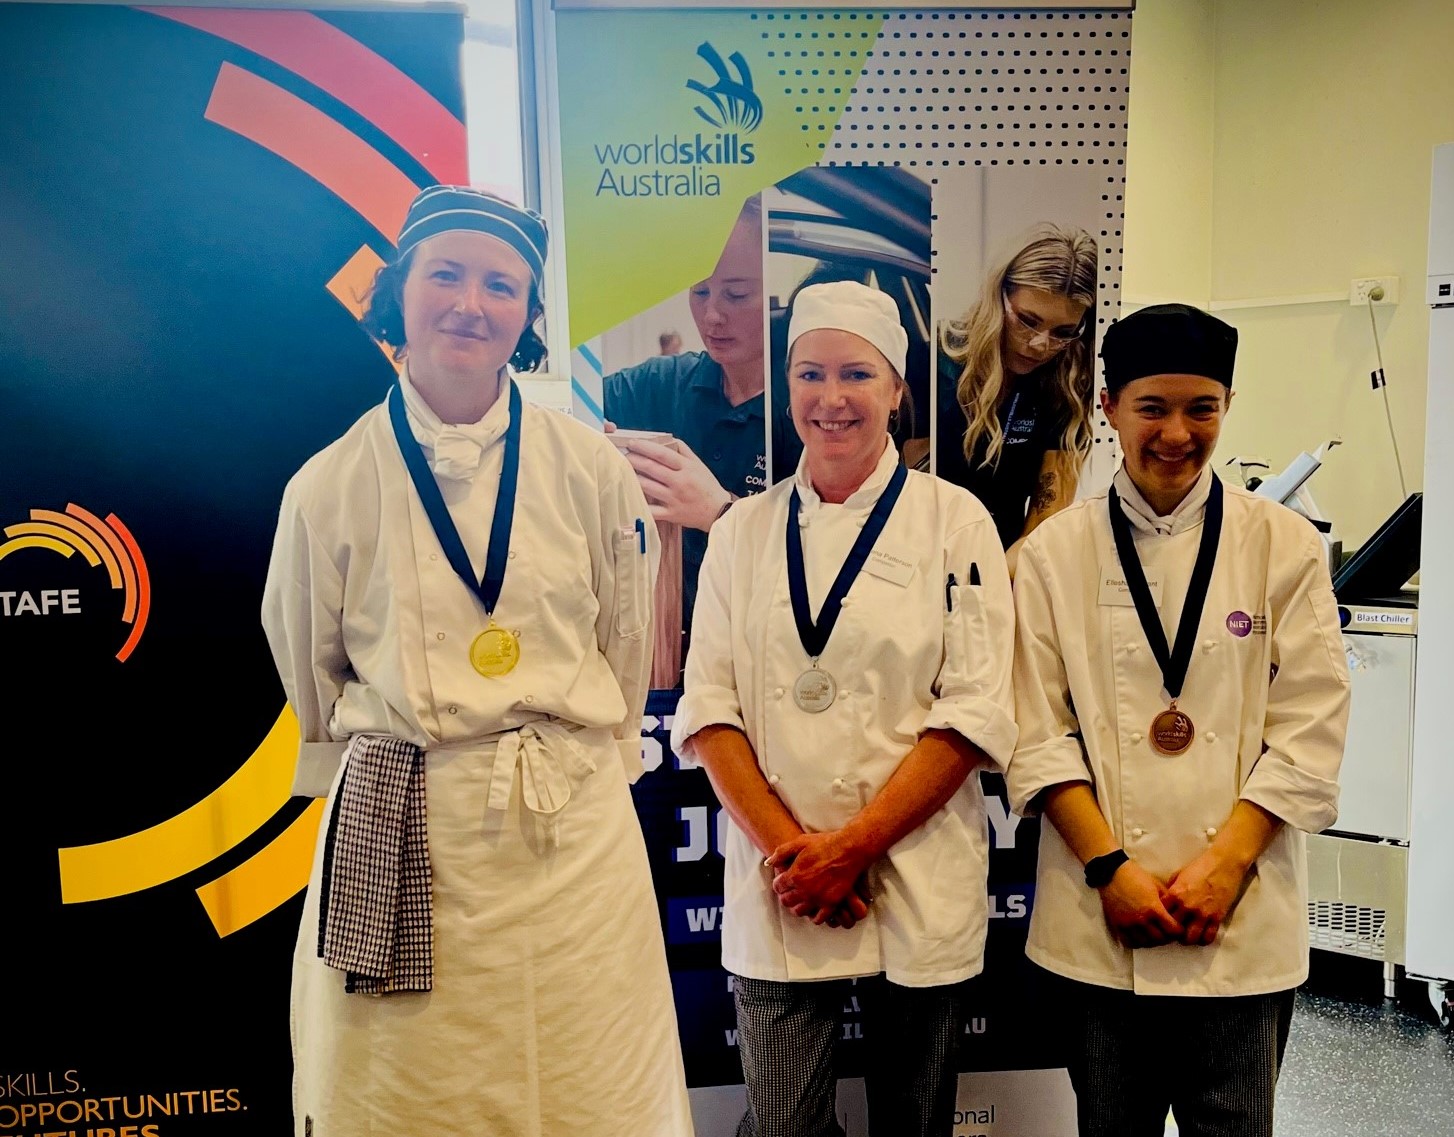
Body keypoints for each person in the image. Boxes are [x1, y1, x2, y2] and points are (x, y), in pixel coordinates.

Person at [261, 185, 693, 1136]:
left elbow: (624, 650)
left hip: (570, 826)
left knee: (593, 1085)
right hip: (407, 820)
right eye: (445, 274)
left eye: (502, 285)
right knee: (407, 1094)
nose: (470, 302)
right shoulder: (327, 484)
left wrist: (585, 747)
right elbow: (308, 669)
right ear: (399, 296)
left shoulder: (591, 468)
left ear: (528, 317)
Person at [671, 281, 1015, 1137]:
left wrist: (851, 848)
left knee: (916, 1120)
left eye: (856, 374)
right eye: (810, 374)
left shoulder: (953, 521)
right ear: (785, 388)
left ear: (897, 387)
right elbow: (710, 709)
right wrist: (800, 856)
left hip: (915, 869)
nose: (831, 399)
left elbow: (972, 711)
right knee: (784, 1124)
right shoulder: (742, 532)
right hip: (778, 877)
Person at [1006, 304, 1350, 1137]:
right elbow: (1032, 730)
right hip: (1099, 918)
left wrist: (1223, 866)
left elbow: (1309, 722)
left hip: (1238, 917)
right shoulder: (1052, 555)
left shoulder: (1283, 545)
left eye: (1201, 408)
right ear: (1107, 406)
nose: (1175, 433)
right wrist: (1110, 870)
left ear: (1226, 405)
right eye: (1151, 407)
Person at [604, 197, 783, 658]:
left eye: (737, 294)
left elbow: (834, 553)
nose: (712, 315)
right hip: (666, 658)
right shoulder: (661, 386)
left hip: (768, 658)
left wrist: (720, 514)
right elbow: (560, 410)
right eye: (699, 292)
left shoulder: (813, 409)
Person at [935, 223, 1098, 560]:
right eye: (1027, 320)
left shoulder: (1065, 388)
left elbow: (1043, 525)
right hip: (921, 558)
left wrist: (996, 587)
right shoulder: (937, 363)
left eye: (1063, 331)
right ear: (999, 296)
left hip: (1004, 565)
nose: (1041, 344)